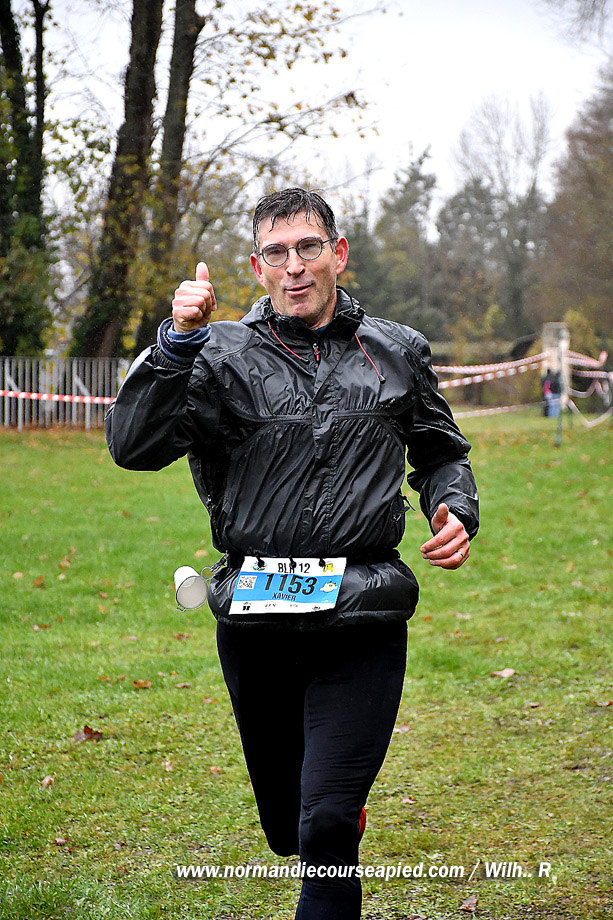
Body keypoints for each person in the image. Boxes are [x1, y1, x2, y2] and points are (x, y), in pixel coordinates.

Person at [105, 187, 479, 920]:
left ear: (337, 253)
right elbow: (133, 446)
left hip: (363, 609)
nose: (294, 266)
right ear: (257, 267)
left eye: (308, 247)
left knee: (326, 824)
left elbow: (440, 451)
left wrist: (455, 506)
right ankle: (318, 822)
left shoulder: (396, 351)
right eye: (275, 253)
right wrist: (174, 344)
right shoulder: (216, 354)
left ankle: (333, 827)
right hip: (257, 615)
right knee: (289, 827)